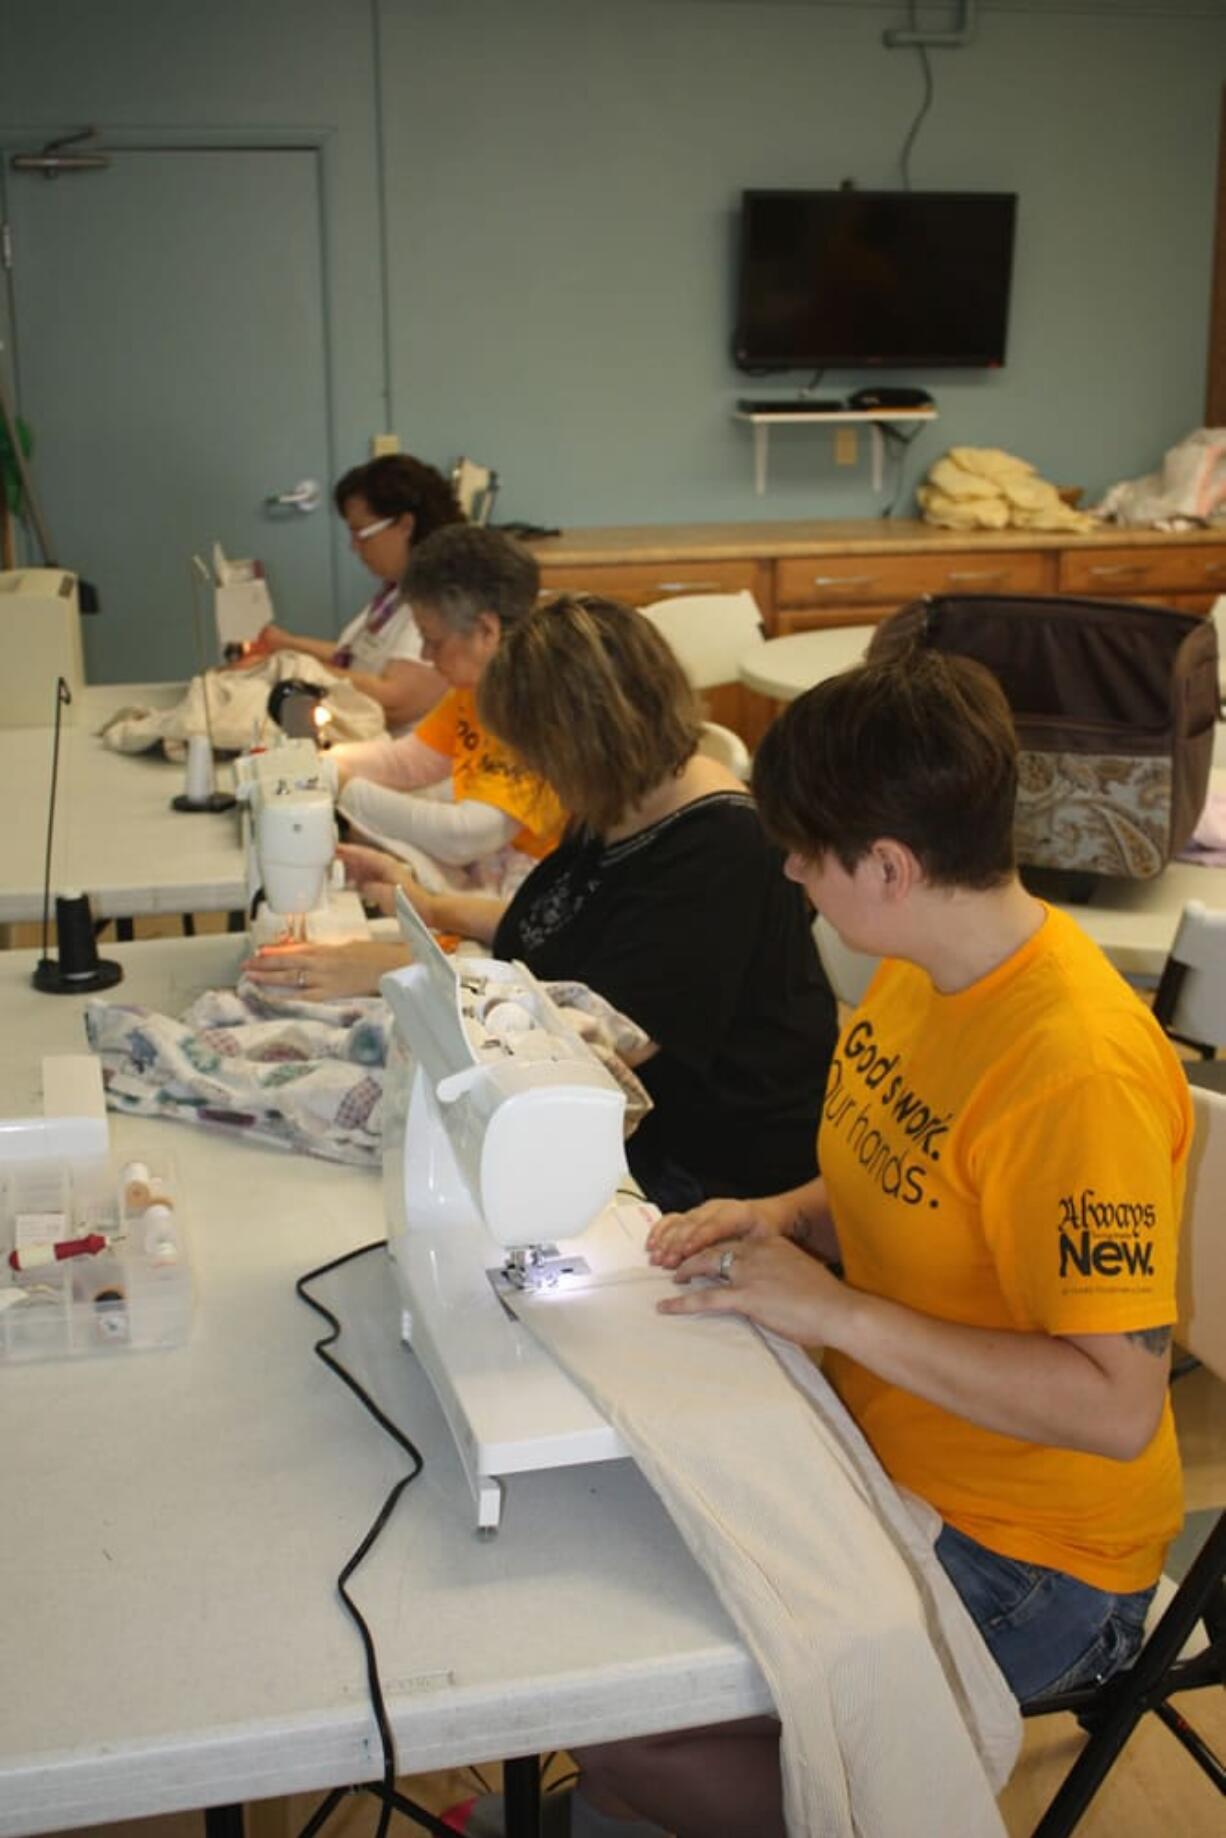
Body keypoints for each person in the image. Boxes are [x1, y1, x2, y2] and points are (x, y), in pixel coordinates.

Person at [522, 647, 1190, 1838]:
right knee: (579, 1633)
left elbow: (1114, 1407)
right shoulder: (920, 968)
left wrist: (831, 1309)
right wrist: (780, 1217)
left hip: (1037, 1555)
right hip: (875, 1441)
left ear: (887, 862)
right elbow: (892, 1171)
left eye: (803, 850)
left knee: (624, 1722)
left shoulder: (1071, 1067)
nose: (784, 869)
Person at [247, 595, 839, 1212]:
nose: (528, 768)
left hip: (705, 1167)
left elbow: (606, 1038)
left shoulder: (722, 854)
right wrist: (430, 905)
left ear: (588, 740)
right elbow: (563, 928)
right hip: (617, 1124)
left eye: (533, 752)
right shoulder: (621, 803)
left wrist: (411, 974)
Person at [328, 523, 567, 901]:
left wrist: (343, 789)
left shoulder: (535, 708)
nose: (424, 655)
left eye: (432, 640)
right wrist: (325, 763)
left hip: (539, 888)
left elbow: (465, 836)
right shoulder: (473, 690)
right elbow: (410, 762)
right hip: (497, 868)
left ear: (486, 631)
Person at [239, 454, 463, 733]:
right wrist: (284, 643)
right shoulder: (395, 594)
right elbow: (356, 658)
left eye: (362, 534)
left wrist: (294, 668)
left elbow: (396, 700)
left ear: (405, 525)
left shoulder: (441, 601)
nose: (354, 547)